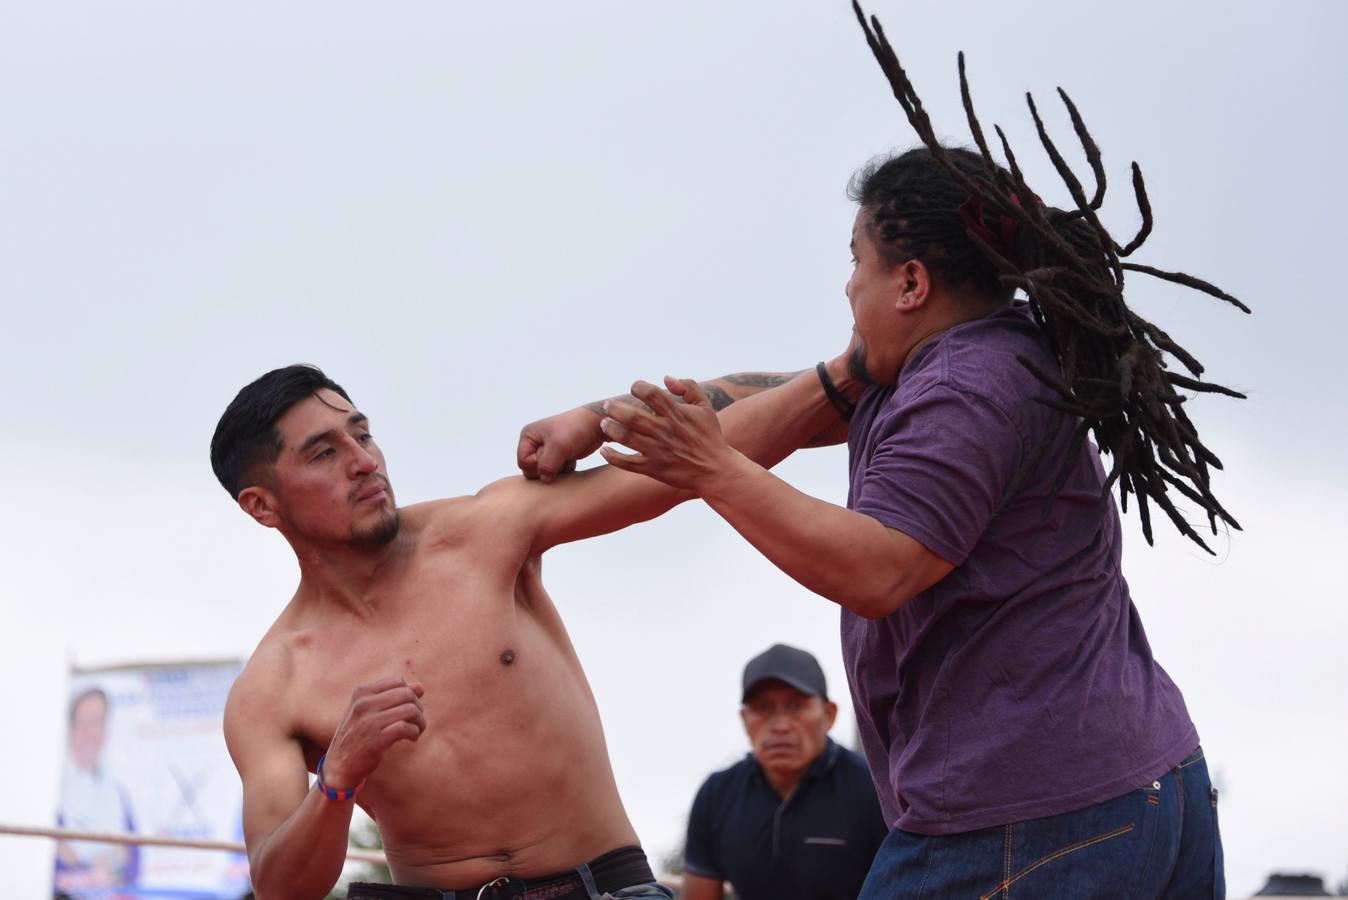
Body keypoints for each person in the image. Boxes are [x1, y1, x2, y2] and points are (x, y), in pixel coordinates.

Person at [516, 11, 1242, 896]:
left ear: (910, 282)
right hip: (1138, 787)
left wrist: (713, 469)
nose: (846, 285)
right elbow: (782, 395)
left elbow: (879, 567)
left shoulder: (966, 391)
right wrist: (600, 418)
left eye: (855, 261)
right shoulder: (958, 361)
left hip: (1025, 815)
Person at [211, 362, 850, 900]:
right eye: (324, 452)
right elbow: (278, 885)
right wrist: (337, 779)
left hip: (604, 886)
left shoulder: (480, 533)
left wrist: (846, 374)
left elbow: (698, 452)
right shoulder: (273, 689)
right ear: (262, 505)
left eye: (363, 435)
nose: (364, 463)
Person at [681, 644, 885, 900]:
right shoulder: (716, 794)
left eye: (796, 706)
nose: (779, 726)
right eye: (763, 708)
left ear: (828, 714)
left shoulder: (874, 789)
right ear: (745, 719)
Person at [55, 687, 140, 895]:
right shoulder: (55, 792)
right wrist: (90, 871)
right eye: (84, 723)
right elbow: (54, 860)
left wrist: (102, 867)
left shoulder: (116, 791)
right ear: (71, 728)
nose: (92, 733)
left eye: (98, 722)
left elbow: (133, 859)